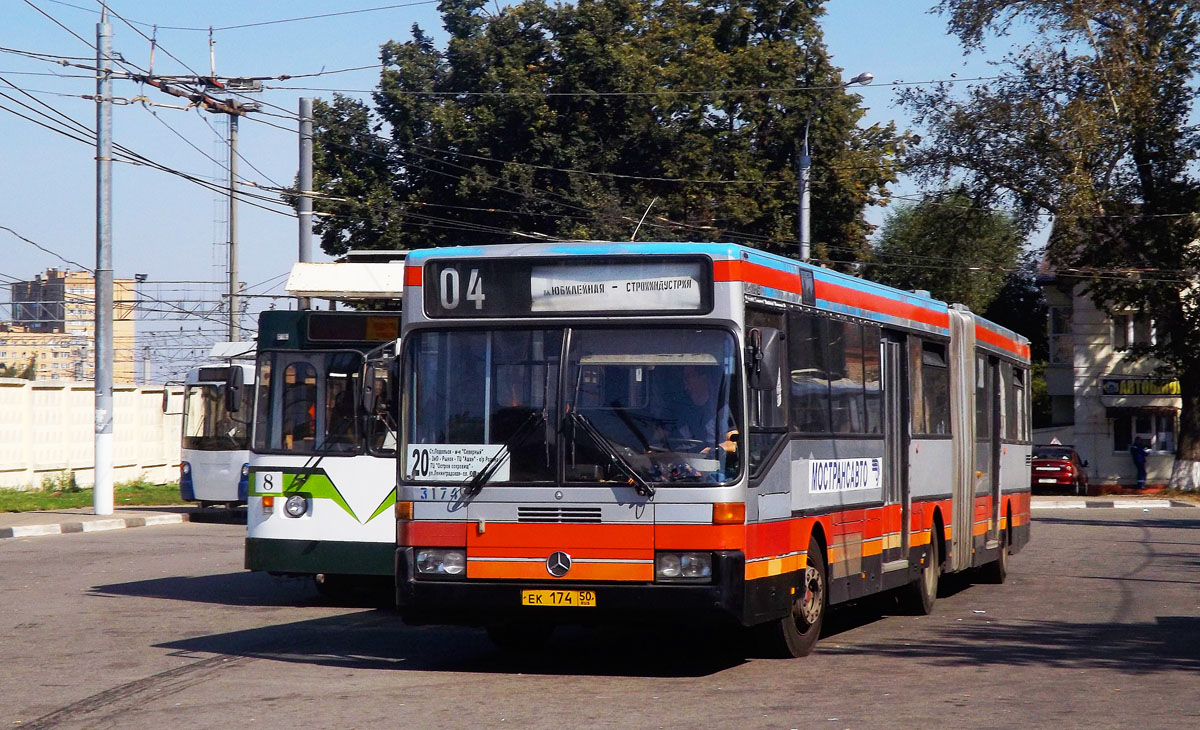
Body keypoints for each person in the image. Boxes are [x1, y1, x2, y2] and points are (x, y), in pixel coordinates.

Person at [663, 365, 737, 454]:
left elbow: (734, 442)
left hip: (712, 462)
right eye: (684, 378)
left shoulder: (721, 407)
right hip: (678, 461)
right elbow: (662, 436)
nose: (685, 382)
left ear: (703, 377)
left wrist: (714, 450)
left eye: (689, 376)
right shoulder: (677, 407)